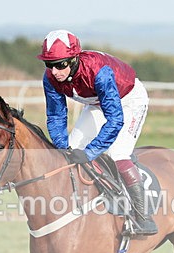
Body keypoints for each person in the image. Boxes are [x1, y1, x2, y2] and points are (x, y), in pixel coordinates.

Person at [38, 29, 157, 236]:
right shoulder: (50, 78)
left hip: (128, 101)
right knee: (70, 153)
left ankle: (143, 215)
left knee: (117, 153)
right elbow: (56, 116)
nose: (55, 71)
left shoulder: (98, 72)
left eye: (60, 64)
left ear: (74, 59)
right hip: (97, 104)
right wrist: (62, 146)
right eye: (49, 64)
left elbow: (115, 119)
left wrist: (91, 152)